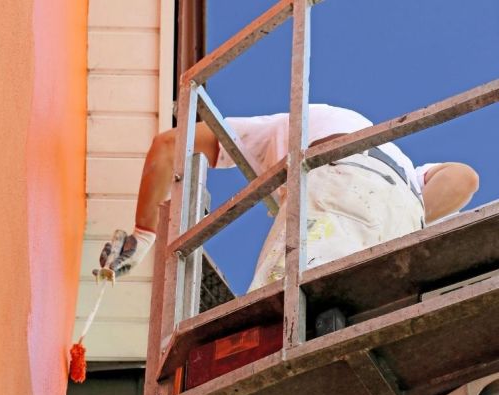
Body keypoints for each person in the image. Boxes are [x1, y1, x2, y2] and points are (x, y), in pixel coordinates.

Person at [98, 104, 479, 291]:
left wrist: (143, 235)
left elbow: (168, 145)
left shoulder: (274, 129)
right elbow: (465, 179)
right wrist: (409, 222)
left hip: (336, 184)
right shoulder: (401, 163)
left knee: (281, 310)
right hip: (406, 216)